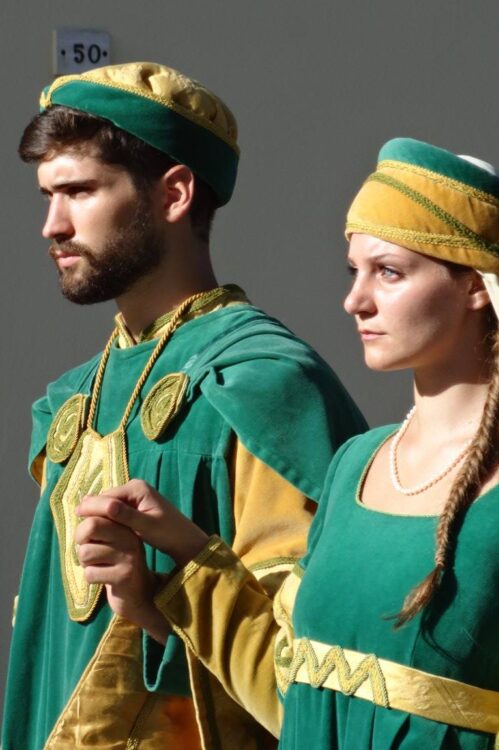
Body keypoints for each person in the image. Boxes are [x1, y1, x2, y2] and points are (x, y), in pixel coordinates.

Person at [77, 138, 499, 749]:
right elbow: (290, 691)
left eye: (389, 272)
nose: (355, 300)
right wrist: (183, 552)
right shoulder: (355, 464)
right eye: (354, 271)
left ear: (476, 285)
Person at [2, 62, 368, 750]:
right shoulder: (69, 403)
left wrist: (159, 603)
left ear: (173, 194)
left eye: (79, 191)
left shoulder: (261, 384)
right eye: (47, 195)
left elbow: (310, 678)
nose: (52, 224)